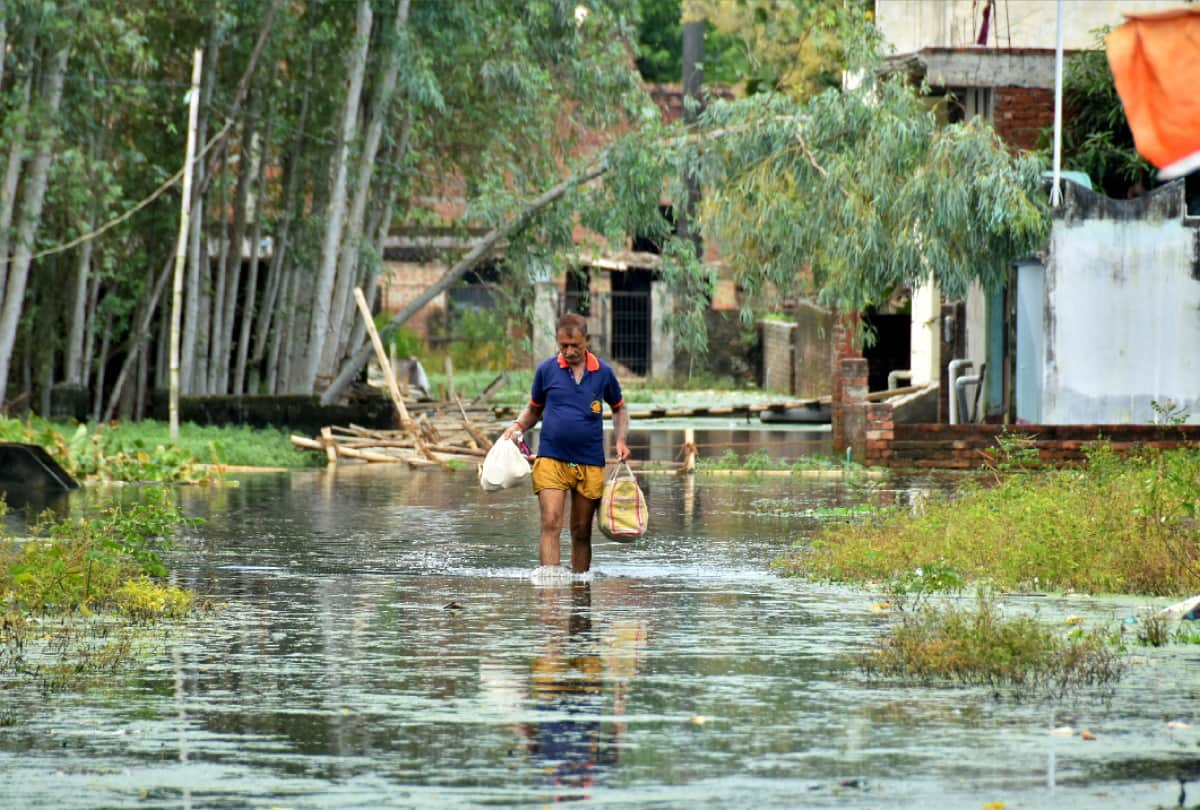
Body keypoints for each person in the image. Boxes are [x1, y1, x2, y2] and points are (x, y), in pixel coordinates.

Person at [501, 313, 630, 577]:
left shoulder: (603, 373)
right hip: (552, 458)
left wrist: (620, 440)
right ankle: (550, 589)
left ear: (587, 341)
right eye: (563, 346)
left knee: (581, 530)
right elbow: (534, 410)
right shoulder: (546, 371)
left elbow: (619, 409)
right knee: (551, 522)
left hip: (589, 460)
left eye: (575, 346)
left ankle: (580, 591)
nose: (569, 352)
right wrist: (517, 427)